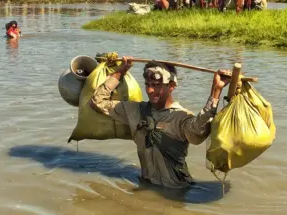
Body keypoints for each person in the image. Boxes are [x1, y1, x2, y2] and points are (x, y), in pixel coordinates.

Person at [89, 57, 231, 188]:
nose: (150, 90)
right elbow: (98, 102)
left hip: (177, 189)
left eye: (156, 85)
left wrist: (216, 90)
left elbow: (197, 135)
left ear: (172, 86)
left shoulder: (180, 117)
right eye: (148, 84)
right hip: (146, 184)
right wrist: (120, 72)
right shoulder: (135, 111)